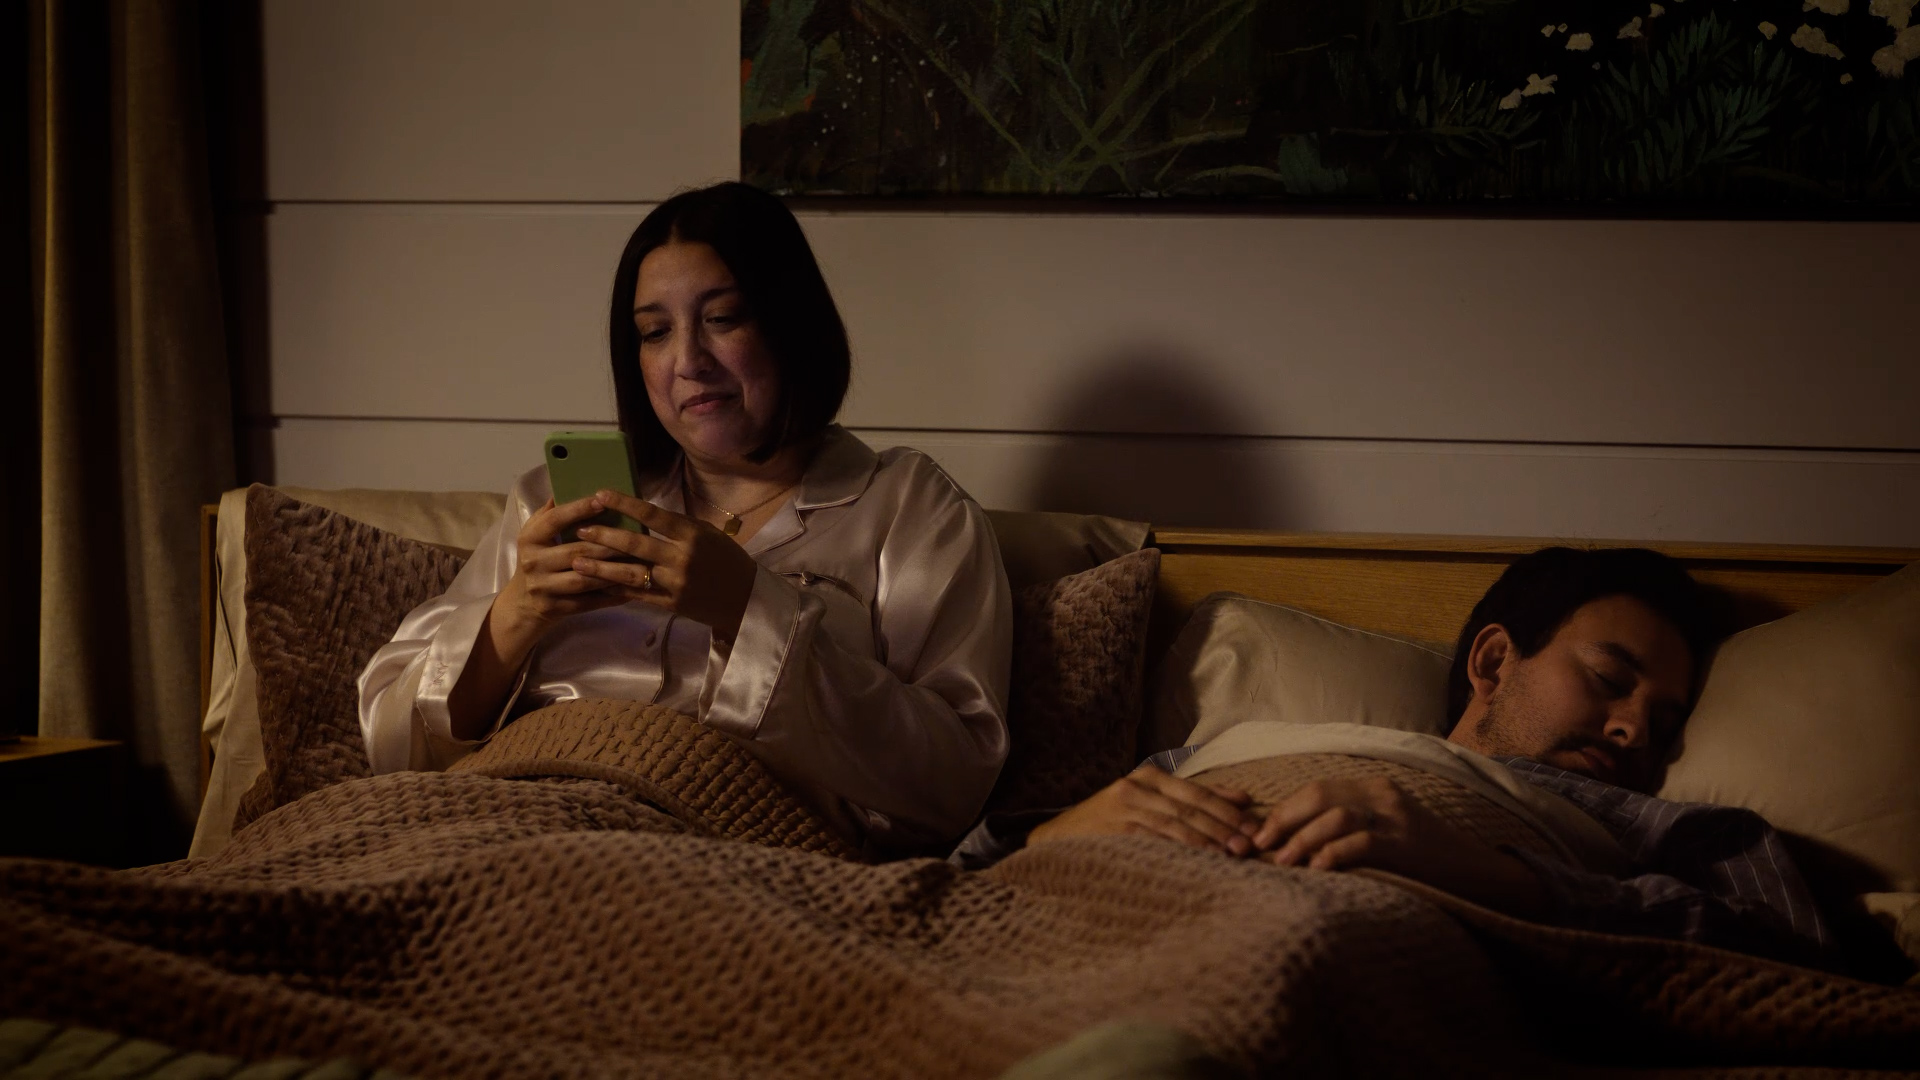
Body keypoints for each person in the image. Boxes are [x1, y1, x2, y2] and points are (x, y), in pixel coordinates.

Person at [359, 182, 1012, 855]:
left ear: (790, 323)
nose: (688, 362)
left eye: (723, 318)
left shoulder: (908, 506)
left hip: (728, 853)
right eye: (654, 332)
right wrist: (517, 612)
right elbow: (390, 744)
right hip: (503, 820)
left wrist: (748, 609)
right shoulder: (554, 504)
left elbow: (954, 781)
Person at [955, 547, 1852, 972]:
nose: (1633, 731)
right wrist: (1052, 839)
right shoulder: (1218, 751)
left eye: (1664, 720)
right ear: (1494, 661)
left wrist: (1491, 874)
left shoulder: (1652, 827)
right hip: (1083, 941)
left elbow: (1797, 956)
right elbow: (950, 885)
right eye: (1609, 681)